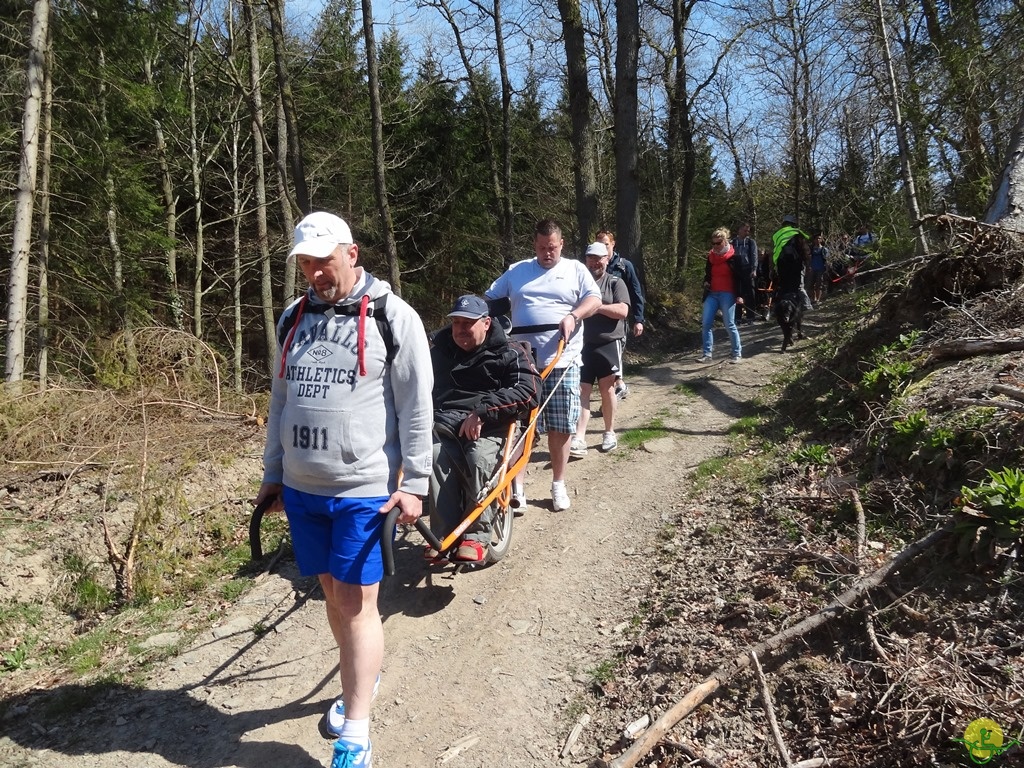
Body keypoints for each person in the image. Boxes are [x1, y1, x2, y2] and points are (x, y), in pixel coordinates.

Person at [253, 211, 433, 768]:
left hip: (362, 490)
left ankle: (356, 731)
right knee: (332, 597)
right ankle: (362, 676)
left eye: (323, 262)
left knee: (356, 604)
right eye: (305, 264)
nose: (314, 274)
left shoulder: (392, 316)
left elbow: (417, 406)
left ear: (351, 254)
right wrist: (273, 475)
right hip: (303, 490)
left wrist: (417, 483)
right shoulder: (292, 317)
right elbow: (280, 401)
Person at [485, 219, 602, 512]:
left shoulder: (575, 269)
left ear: (561, 244)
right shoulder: (518, 271)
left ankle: (558, 483)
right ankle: (517, 488)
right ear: (534, 245)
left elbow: (594, 299)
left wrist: (574, 316)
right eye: (540, 248)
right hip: (522, 362)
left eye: (551, 247)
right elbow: (490, 301)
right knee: (519, 426)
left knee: (561, 426)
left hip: (563, 359)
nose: (546, 253)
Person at [428, 294, 540, 562]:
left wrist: (483, 412)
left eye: (468, 323)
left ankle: (476, 536)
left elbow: (529, 390)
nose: (460, 330)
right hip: (446, 420)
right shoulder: (440, 351)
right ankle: (444, 536)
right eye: (456, 323)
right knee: (433, 458)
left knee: (479, 458)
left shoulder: (510, 350)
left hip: (493, 424)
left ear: (487, 322)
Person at [570, 242, 630, 457]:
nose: (595, 262)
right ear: (585, 259)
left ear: (607, 259)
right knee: (582, 391)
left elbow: (623, 310)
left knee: (607, 389)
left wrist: (597, 307)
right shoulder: (577, 283)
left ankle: (609, 432)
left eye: (600, 258)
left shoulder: (615, 282)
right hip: (581, 344)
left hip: (608, 343)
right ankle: (579, 437)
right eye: (591, 258)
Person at [595, 230, 645, 400]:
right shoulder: (593, 266)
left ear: (613, 244)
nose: (603, 248)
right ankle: (617, 385)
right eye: (599, 244)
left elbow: (636, 292)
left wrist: (638, 319)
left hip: (618, 320)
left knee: (616, 352)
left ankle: (619, 385)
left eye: (606, 244)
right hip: (597, 323)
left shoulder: (624, 266)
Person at [698, 227, 744, 364]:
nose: (715, 246)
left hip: (728, 294)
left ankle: (736, 353)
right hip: (712, 294)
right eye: (713, 243)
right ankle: (707, 354)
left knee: (729, 324)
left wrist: (740, 295)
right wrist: (706, 282)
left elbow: (740, 278)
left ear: (725, 241)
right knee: (706, 324)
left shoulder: (735, 256)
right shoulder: (711, 257)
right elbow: (708, 274)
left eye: (718, 243)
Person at [771, 214, 813, 310]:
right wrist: (807, 264)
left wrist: (773, 267)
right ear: (793, 224)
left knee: (784, 287)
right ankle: (795, 308)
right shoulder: (797, 233)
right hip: (795, 264)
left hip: (781, 264)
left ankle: (783, 308)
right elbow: (804, 250)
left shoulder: (777, 235)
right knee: (795, 287)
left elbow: (774, 251)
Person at [730, 222, 759, 324]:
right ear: (739, 230)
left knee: (750, 293)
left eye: (748, 230)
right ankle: (737, 317)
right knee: (737, 293)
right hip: (736, 270)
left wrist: (754, 269)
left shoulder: (751, 242)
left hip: (748, 270)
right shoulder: (733, 242)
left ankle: (751, 316)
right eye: (745, 230)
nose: (747, 232)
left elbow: (754, 256)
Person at [809, 233, 829, 304]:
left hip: (821, 269)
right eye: (816, 238)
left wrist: (826, 269)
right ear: (814, 240)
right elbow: (809, 259)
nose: (817, 240)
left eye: (819, 238)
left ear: (821, 240)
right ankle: (813, 299)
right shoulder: (811, 249)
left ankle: (818, 299)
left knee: (819, 285)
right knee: (811, 285)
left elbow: (826, 260)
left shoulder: (824, 249)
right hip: (812, 269)